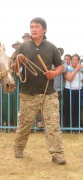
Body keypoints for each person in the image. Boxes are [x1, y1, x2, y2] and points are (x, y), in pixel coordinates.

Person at [13, 17, 66, 165]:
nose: (33, 29)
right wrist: (19, 61)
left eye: (37, 26)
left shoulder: (51, 47)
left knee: (53, 125)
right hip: (28, 93)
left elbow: (60, 66)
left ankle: (57, 154)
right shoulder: (23, 47)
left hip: (48, 93)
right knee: (24, 125)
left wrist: (54, 73)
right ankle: (19, 147)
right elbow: (15, 69)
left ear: (44, 30)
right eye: (31, 26)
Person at [63, 54, 83, 131]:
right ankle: (68, 128)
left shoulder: (80, 69)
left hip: (78, 91)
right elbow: (69, 78)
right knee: (69, 109)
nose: (74, 61)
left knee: (77, 109)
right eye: (73, 59)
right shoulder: (67, 68)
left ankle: (76, 128)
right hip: (69, 90)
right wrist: (76, 70)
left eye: (76, 59)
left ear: (78, 61)